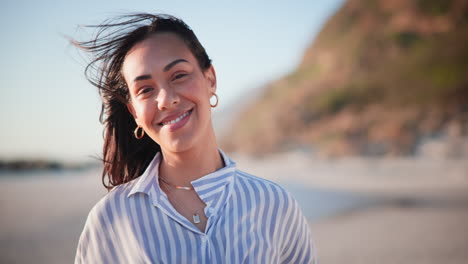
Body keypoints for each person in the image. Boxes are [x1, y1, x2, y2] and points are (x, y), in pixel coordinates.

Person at [73, 13, 316, 263]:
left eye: (178, 75)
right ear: (134, 111)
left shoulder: (274, 205)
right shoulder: (111, 219)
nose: (166, 99)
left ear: (210, 79)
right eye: (145, 89)